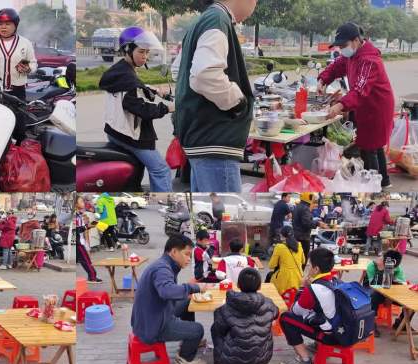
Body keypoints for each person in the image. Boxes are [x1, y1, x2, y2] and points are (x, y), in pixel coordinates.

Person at [174, 0, 256, 192]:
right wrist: (238, 102)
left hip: (202, 137)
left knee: (210, 211)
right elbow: (204, 74)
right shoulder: (217, 19)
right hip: (215, 139)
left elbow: (177, 70)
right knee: (226, 216)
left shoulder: (203, 19)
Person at [318, 23, 394, 188]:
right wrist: (323, 79)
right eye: (339, 46)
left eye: (343, 45)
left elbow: (359, 90)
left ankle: (373, 186)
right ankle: (384, 181)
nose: (341, 49)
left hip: (377, 107)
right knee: (374, 145)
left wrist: (339, 105)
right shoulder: (352, 55)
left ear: (356, 41)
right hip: (365, 105)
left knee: (369, 147)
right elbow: (336, 66)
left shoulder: (368, 60)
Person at [99, 26, 174, 192]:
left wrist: (151, 89)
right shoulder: (127, 77)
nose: (145, 57)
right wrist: (168, 108)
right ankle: (162, 202)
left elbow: (131, 90)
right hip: (129, 136)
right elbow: (141, 109)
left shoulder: (120, 71)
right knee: (161, 170)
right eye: (141, 52)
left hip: (115, 131)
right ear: (127, 49)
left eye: (147, 52)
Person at [131, 234, 210, 364]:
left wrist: (187, 291)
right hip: (153, 327)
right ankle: (184, 358)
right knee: (198, 329)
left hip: (151, 316)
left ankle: (188, 337)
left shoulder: (164, 264)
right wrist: (195, 287)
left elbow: (169, 291)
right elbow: (167, 291)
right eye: (186, 254)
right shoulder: (162, 269)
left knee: (187, 302)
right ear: (173, 251)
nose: (189, 259)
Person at [278, 248, 338, 364]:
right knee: (316, 313)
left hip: (329, 336)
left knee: (286, 318)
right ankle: (317, 346)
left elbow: (295, 311)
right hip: (340, 330)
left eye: (309, 265)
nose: (308, 268)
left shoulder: (314, 289)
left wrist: (302, 287)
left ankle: (305, 361)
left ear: (316, 269)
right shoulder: (335, 280)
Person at [211, 268, 278, 364]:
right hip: (262, 359)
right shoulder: (269, 304)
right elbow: (275, 315)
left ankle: (219, 362)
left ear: (238, 285)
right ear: (260, 286)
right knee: (266, 325)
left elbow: (220, 330)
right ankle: (257, 363)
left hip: (230, 360)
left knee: (216, 328)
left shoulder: (226, 307)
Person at [0, 8, 36, 102]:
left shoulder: (25, 43)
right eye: (0, 24)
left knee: (17, 116)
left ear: (15, 25)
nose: (3, 27)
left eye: (7, 24)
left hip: (18, 91)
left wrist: (28, 68)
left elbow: (33, 63)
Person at [364, 250, 406, 337]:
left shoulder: (396, 266)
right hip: (373, 290)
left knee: (412, 299)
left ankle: (402, 322)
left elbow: (402, 283)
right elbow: (372, 285)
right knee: (373, 297)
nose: (393, 268)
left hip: (391, 292)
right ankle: (371, 324)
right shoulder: (372, 266)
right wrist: (381, 270)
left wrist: (395, 279)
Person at [293, 192, 328, 265]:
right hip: (303, 237)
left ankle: (298, 274)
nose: (313, 200)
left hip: (297, 236)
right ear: (308, 198)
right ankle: (300, 274)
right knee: (303, 259)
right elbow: (307, 223)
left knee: (298, 258)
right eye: (312, 198)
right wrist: (318, 223)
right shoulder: (305, 208)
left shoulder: (298, 206)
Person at [269, 226, 304, 295]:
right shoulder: (299, 245)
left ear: (281, 235)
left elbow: (271, 265)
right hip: (298, 277)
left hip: (284, 279)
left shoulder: (279, 247)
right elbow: (303, 261)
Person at [74, 196, 101, 283]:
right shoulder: (75, 216)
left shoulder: (80, 214)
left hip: (81, 241)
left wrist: (89, 226)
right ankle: (92, 277)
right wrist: (87, 226)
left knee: (86, 259)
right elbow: (77, 229)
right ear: (76, 204)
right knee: (85, 260)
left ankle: (92, 276)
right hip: (78, 242)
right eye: (81, 201)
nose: (83, 203)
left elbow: (82, 228)